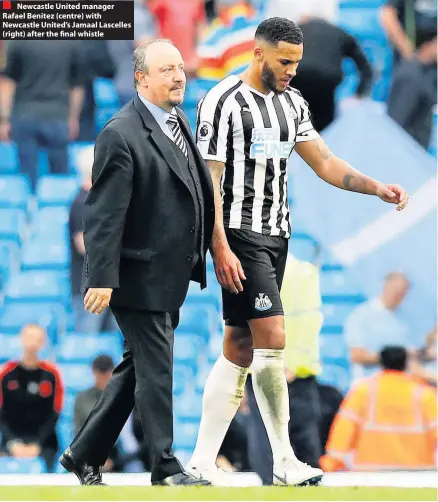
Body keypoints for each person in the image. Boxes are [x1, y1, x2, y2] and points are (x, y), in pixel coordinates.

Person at [187, 17, 409, 487]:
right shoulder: (223, 101)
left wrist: (375, 188)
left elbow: (324, 161)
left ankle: (202, 461)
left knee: (239, 348)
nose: (292, 70)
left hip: (276, 234)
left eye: (297, 62)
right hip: (239, 233)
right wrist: (219, 245)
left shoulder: (292, 104)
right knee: (272, 337)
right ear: (259, 53)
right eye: (285, 61)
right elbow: (210, 181)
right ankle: (285, 458)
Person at [58, 39, 214, 487]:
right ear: (141, 78)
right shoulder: (120, 132)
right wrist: (102, 278)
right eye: (167, 69)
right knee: (157, 366)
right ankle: (164, 466)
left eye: (180, 68)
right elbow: (103, 216)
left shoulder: (177, 120)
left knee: (137, 368)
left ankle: (82, 453)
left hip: (168, 274)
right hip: (136, 275)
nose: (179, 76)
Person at [320, 346, 437, 471]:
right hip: (418, 471)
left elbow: (344, 429)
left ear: (381, 362)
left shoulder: (363, 391)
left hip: (370, 470)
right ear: (405, 363)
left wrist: (332, 463)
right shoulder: (423, 393)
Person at [0, 41, 84, 191]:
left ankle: (29, 210)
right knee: (59, 179)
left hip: (24, 115)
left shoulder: (18, 42)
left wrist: (4, 119)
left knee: (27, 178)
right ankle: (58, 211)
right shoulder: (71, 43)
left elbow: (7, 83)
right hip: (57, 116)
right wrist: (73, 118)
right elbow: (77, 86)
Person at [69, 145, 119, 334]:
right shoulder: (82, 203)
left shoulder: (98, 200)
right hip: (90, 289)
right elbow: (83, 245)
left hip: (107, 285)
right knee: (88, 339)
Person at [0, 324, 64, 472]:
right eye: (29, 337)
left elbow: (54, 414)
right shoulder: (6, 374)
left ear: (43, 342)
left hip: (45, 443)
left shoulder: (52, 374)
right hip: (11, 442)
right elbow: (1, 415)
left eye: (38, 339)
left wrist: (38, 444)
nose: (32, 343)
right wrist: (13, 443)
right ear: (21, 339)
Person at [344, 272, 411, 383]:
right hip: (369, 386)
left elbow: (409, 355)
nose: (397, 295)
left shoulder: (403, 320)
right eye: (395, 290)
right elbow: (356, 355)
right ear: (385, 287)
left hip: (397, 384)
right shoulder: (361, 315)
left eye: (401, 293)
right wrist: (390, 358)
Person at [387, 34, 437, 149]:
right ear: (426, 45)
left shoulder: (428, 72)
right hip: (408, 149)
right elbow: (399, 117)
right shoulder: (412, 75)